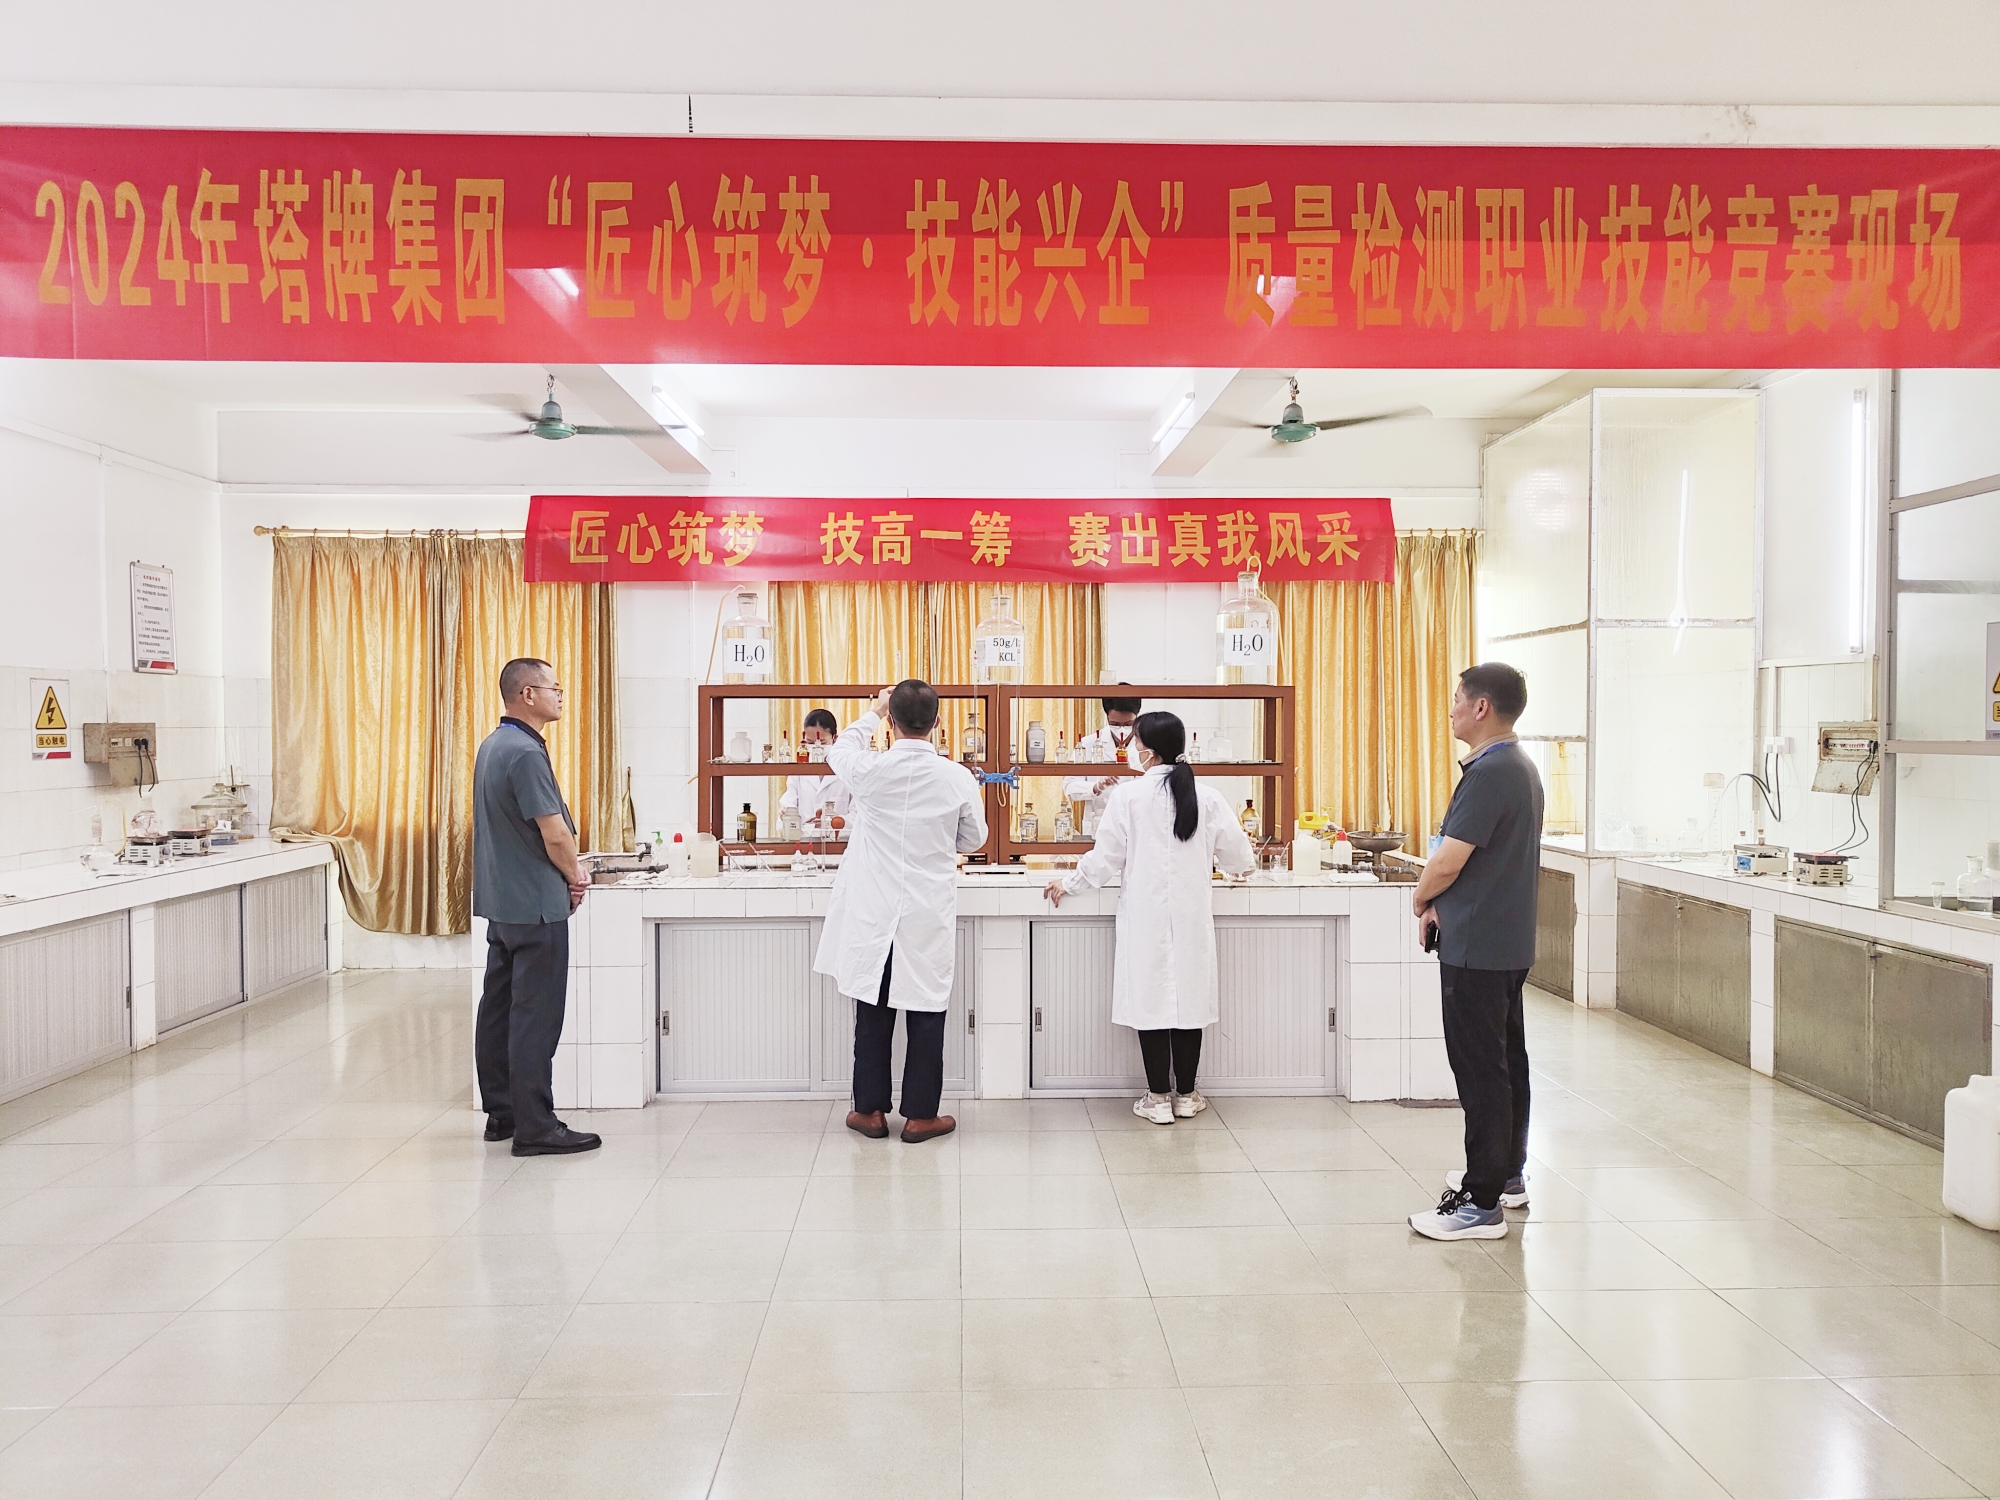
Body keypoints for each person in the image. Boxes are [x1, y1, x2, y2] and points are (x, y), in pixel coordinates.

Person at [1044, 710, 1256, 1123]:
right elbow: (1239, 858)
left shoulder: (1128, 797)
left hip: (1145, 917)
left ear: (1150, 751)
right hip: (1191, 917)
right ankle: (1187, 1096)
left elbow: (1104, 860)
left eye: (1136, 743)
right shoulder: (1207, 797)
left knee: (1151, 1001)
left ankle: (1158, 1099)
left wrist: (1069, 884)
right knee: (1190, 1001)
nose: (1132, 749)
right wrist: (1238, 871)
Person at [815, 680, 988, 1143]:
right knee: (926, 1009)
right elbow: (974, 840)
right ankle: (920, 1117)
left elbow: (838, 748)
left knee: (872, 1009)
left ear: (891, 723)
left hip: (875, 912)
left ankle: (869, 1112)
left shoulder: (869, 769)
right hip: (926, 912)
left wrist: (873, 711)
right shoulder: (957, 778)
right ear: (938, 723)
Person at [1408, 662, 1543, 1240]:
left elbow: (1448, 860)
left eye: (1458, 698)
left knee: (1480, 1069)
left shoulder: (1490, 772)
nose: (1452, 709)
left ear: (1482, 707)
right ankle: (1505, 1174)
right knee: (1506, 1061)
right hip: (1504, 939)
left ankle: (1480, 1202)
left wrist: (1421, 897)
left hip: (1477, 946)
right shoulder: (1518, 766)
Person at [473, 658, 601, 1157]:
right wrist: (575, 875)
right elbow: (554, 832)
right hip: (536, 906)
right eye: (555, 688)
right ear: (528, 695)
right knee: (535, 1017)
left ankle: (502, 1112)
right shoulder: (525, 752)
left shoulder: (493, 745)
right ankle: (536, 1126)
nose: (561, 696)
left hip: (503, 902)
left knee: (499, 1009)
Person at [1063, 691, 1141, 838]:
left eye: (1128, 724)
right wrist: (1095, 787)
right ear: (1107, 717)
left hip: (1136, 823)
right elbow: (1069, 786)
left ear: (1137, 717)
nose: (1122, 729)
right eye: (1115, 724)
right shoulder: (1087, 743)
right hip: (1098, 823)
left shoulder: (1147, 746)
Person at [779, 708, 852, 836]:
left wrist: (833, 821)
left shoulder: (847, 768)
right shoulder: (799, 770)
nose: (816, 747)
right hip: (805, 841)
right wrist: (786, 814)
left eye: (822, 742)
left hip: (838, 842)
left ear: (835, 738)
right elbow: (788, 803)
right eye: (810, 742)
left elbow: (858, 816)